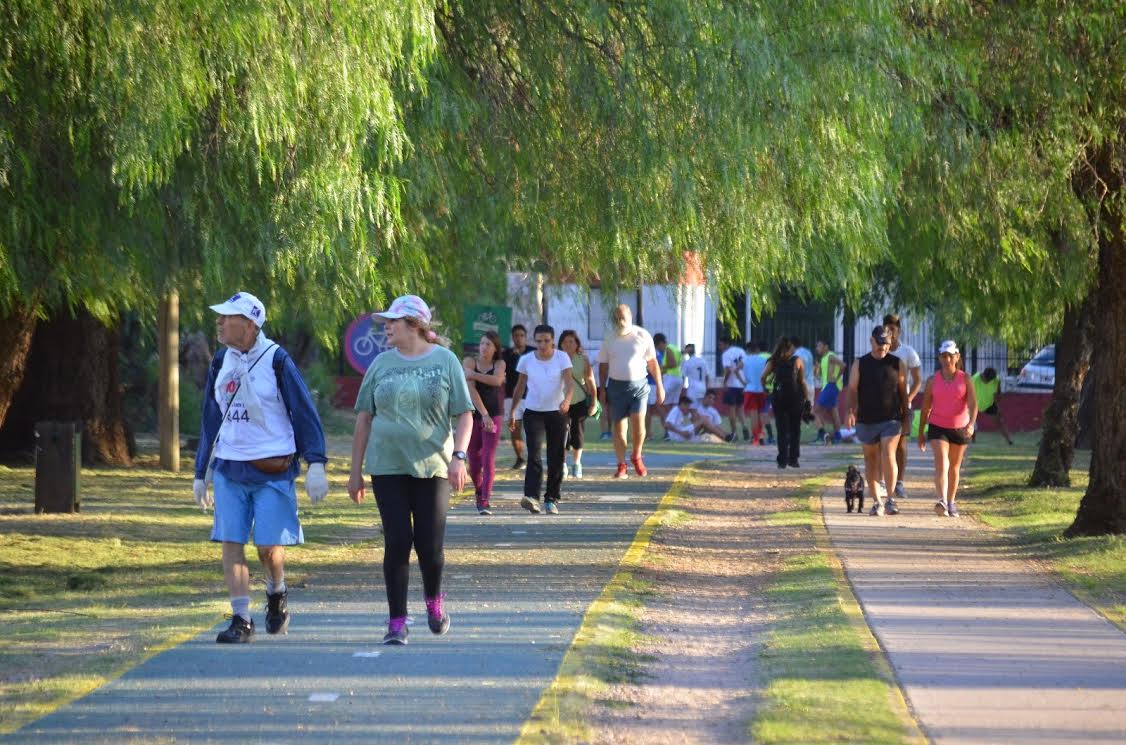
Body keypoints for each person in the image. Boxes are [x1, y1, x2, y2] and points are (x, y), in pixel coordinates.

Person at [193, 291, 329, 644]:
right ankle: (241, 619)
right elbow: (212, 417)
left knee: (268, 547)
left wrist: (315, 462)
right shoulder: (219, 361)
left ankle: (276, 591)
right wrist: (201, 471)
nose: (219, 322)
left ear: (250, 324)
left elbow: (303, 411)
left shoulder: (276, 360)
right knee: (231, 542)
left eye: (228, 317)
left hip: (272, 468)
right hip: (229, 468)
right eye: (219, 316)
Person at [348, 295, 473, 645]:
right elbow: (363, 419)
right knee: (397, 541)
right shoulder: (381, 365)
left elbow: (464, 413)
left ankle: (434, 602)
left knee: (429, 546)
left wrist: (459, 457)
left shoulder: (445, 362)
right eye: (386, 321)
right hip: (386, 465)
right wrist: (355, 471)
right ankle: (397, 621)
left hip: (434, 466)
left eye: (393, 321)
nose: (386, 326)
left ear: (415, 325)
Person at [844, 325, 909, 516]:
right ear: (871, 341)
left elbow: (903, 393)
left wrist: (905, 417)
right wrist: (850, 411)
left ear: (891, 343)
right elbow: (852, 389)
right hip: (866, 419)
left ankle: (890, 499)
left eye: (886, 343)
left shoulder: (897, 364)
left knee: (888, 453)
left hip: (892, 419)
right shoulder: (860, 363)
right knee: (870, 460)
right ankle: (877, 501)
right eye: (879, 343)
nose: (882, 347)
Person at [509, 324, 574, 514]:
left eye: (546, 341)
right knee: (534, 453)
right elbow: (519, 388)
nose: (542, 345)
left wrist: (567, 401)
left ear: (553, 340)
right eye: (538, 341)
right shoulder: (527, 360)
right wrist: (513, 411)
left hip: (557, 412)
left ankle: (551, 498)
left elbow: (569, 384)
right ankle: (532, 497)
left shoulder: (562, 357)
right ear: (534, 341)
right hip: (533, 411)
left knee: (556, 455)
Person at [597, 305, 664, 478]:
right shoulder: (609, 338)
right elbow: (603, 366)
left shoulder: (642, 335)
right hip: (616, 387)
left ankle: (637, 455)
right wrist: (602, 389)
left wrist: (660, 386)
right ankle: (621, 465)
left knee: (638, 423)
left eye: (623, 317)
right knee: (619, 429)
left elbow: (652, 363)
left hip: (639, 386)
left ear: (630, 316)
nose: (620, 321)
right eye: (617, 318)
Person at [918, 340, 978, 517]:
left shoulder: (965, 379)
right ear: (939, 358)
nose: (946, 360)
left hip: (960, 428)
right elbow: (925, 408)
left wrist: (971, 424)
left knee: (954, 467)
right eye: (943, 356)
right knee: (942, 462)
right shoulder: (932, 380)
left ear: (957, 357)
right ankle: (942, 500)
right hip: (937, 426)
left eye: (950, 356)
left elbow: (973, 404)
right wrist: (921, 431)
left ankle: (951, 502)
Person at [463, 331, 506, 515]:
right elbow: (471, 390)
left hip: (494, 415)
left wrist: (474, 375)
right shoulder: (469, 362)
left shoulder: (499, 363)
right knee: (473, 459)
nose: (484, 347)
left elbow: (497, 381)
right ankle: (479, 489)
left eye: (488, 344)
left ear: (495, 348)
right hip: (474, 416)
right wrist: (484, 414)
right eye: (482, 343)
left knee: (488, 457)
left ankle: (485, 500)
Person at [883, 314, 923, 500]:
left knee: (900, 444)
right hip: (881, 403)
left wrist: (908, 399)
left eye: (894, 328)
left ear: (899, 330)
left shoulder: (908, 352)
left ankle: (899, 482)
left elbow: (917, 381)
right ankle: (883, 481)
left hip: (901, 405)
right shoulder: (879, 350)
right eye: (888, 328)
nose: (891, 331)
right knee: (880, 443)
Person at [761, 337, 813, 468]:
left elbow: (763, 378)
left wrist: (766, 390)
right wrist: (807, 399)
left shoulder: (773, 361)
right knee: (795, 429)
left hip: (778, 398)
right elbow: (801, 382)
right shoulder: (797, 361)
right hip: (796, 398)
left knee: (781, 429)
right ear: (789, 349)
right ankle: (793, 459)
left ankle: (782, 460)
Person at [559, 329, 597, 479]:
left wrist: (594, 401)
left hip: (579, 401)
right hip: (560, 402)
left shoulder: (583, 359)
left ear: (577, 344)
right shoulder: (556, 358)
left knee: (577, 433)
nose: (568, 344)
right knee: (562, 433)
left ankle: (576, 463)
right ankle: (562, 464)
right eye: (565, 342)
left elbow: (590, 381)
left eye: (571, 342)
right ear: (560, 344)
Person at [503, 324, 531, 469]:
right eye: (516, 335)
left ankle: (532, 457)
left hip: (531, 396)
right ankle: (520, 458)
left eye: (521, 335)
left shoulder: (533, 352)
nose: (519, 338)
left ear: (525, 337)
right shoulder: (507, 354)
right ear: (512, 337)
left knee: (531, 429)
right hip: (511, 397)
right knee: (515, 428)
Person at [814, 340, 846, 443]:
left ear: (826, 347)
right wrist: (817, 370)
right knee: (833, 411)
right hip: (829, 387)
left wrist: (836, 378)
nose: (817, 348)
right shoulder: (823, 358)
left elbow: (843, 365)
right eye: (817, 346)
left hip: (831, 386)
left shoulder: (830, 356)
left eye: (819, 346)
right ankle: (838, 436)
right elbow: (820, 376)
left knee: (816, 410)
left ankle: (822, 434)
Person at [972, 367, 1013, 445]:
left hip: (989, 404)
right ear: (983, 375)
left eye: (990, 381)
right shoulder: (974, 379)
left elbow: (997, 394)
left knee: (999, 422)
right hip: (974, 404)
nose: (988, 382)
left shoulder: (996, 380)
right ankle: (973, 440)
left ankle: (1009, 441)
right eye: (987, 380)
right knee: (972, 422)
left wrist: (998, 407)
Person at [718, 336, 748, 440]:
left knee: (731, 410)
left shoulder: (726, 354)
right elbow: (745, 364)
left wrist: (724, 382)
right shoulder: (741, 350)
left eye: (720, 344)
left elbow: (728, 370)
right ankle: (744, 427)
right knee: (740, 408)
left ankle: (734, 433)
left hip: (731, 385)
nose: (719, 347)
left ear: (726, 344)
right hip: (741, 385)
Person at [742, 340, 769, 444]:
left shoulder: (745, 360)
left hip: (750, 389)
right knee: (760, 413)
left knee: (753, 414)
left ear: (748, 350)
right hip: (761, 389)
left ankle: (756, 437)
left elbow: (735, 370)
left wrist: (743, 381)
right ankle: (761, 434)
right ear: (757, 349)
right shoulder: (763, 360)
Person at [655, 333, 683, 426]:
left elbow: (673, 364)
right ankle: (675, 426)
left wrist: (661, 367)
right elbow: (677, 364)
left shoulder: (668, 348)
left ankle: (668, 426)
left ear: (661, 343)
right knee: (673, 405)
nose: (658, 349)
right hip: (678, 378)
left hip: (671, 379)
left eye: (657, 346)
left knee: (659, 402)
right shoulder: (675, 348)